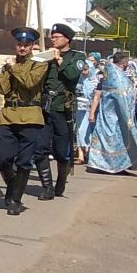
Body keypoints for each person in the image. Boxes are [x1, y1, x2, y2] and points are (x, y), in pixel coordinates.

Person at [0, 27, 53, 214]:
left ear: (32, 46)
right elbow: (2, 89)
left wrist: (12, 67)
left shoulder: (39, 63)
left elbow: (29, 82)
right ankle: (13, 185)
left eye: (26, 45)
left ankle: (15, 200)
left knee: (24, 161)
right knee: (1, 158)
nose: (22, 48)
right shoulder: (9, 64)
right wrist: (5, 70)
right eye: (19, 44)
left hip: (30, 115)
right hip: (9, 115)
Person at [43, 23, 85, 196]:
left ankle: (60, 181)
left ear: (67, 39)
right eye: (52, 37)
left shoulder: (77, 57)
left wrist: (59, 59)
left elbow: (72, 75)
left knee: (61, 150)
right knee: (41, 148)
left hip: (63, 107)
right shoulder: (46, 56)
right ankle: (47, 187)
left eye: (57, 37)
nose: (53, 39)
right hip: (45, 105)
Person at [85, 52, 137, 175]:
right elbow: (99, 95)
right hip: (113, 115)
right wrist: (92, 113)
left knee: (112, 140)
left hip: (112, 114)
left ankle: (113, 165)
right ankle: (102, 165)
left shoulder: (113, 76)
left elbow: (98, 96)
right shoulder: (111, 77)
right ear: (124, 64)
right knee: (110, 139)